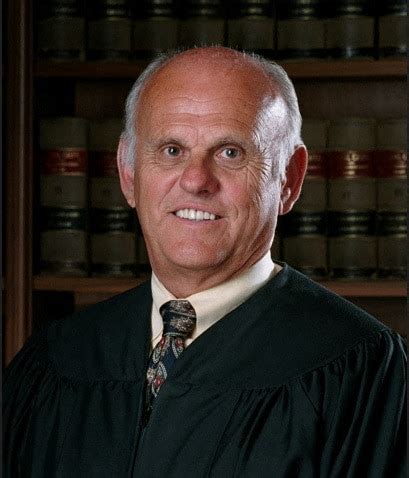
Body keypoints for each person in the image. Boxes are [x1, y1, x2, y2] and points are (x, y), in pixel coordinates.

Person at [3, 47, 406, 477]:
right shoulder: (56, 360)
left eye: (230, 152)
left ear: (289, 179)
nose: (196, 180)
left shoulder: (358, 370)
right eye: (171, 150)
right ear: (128, 172)